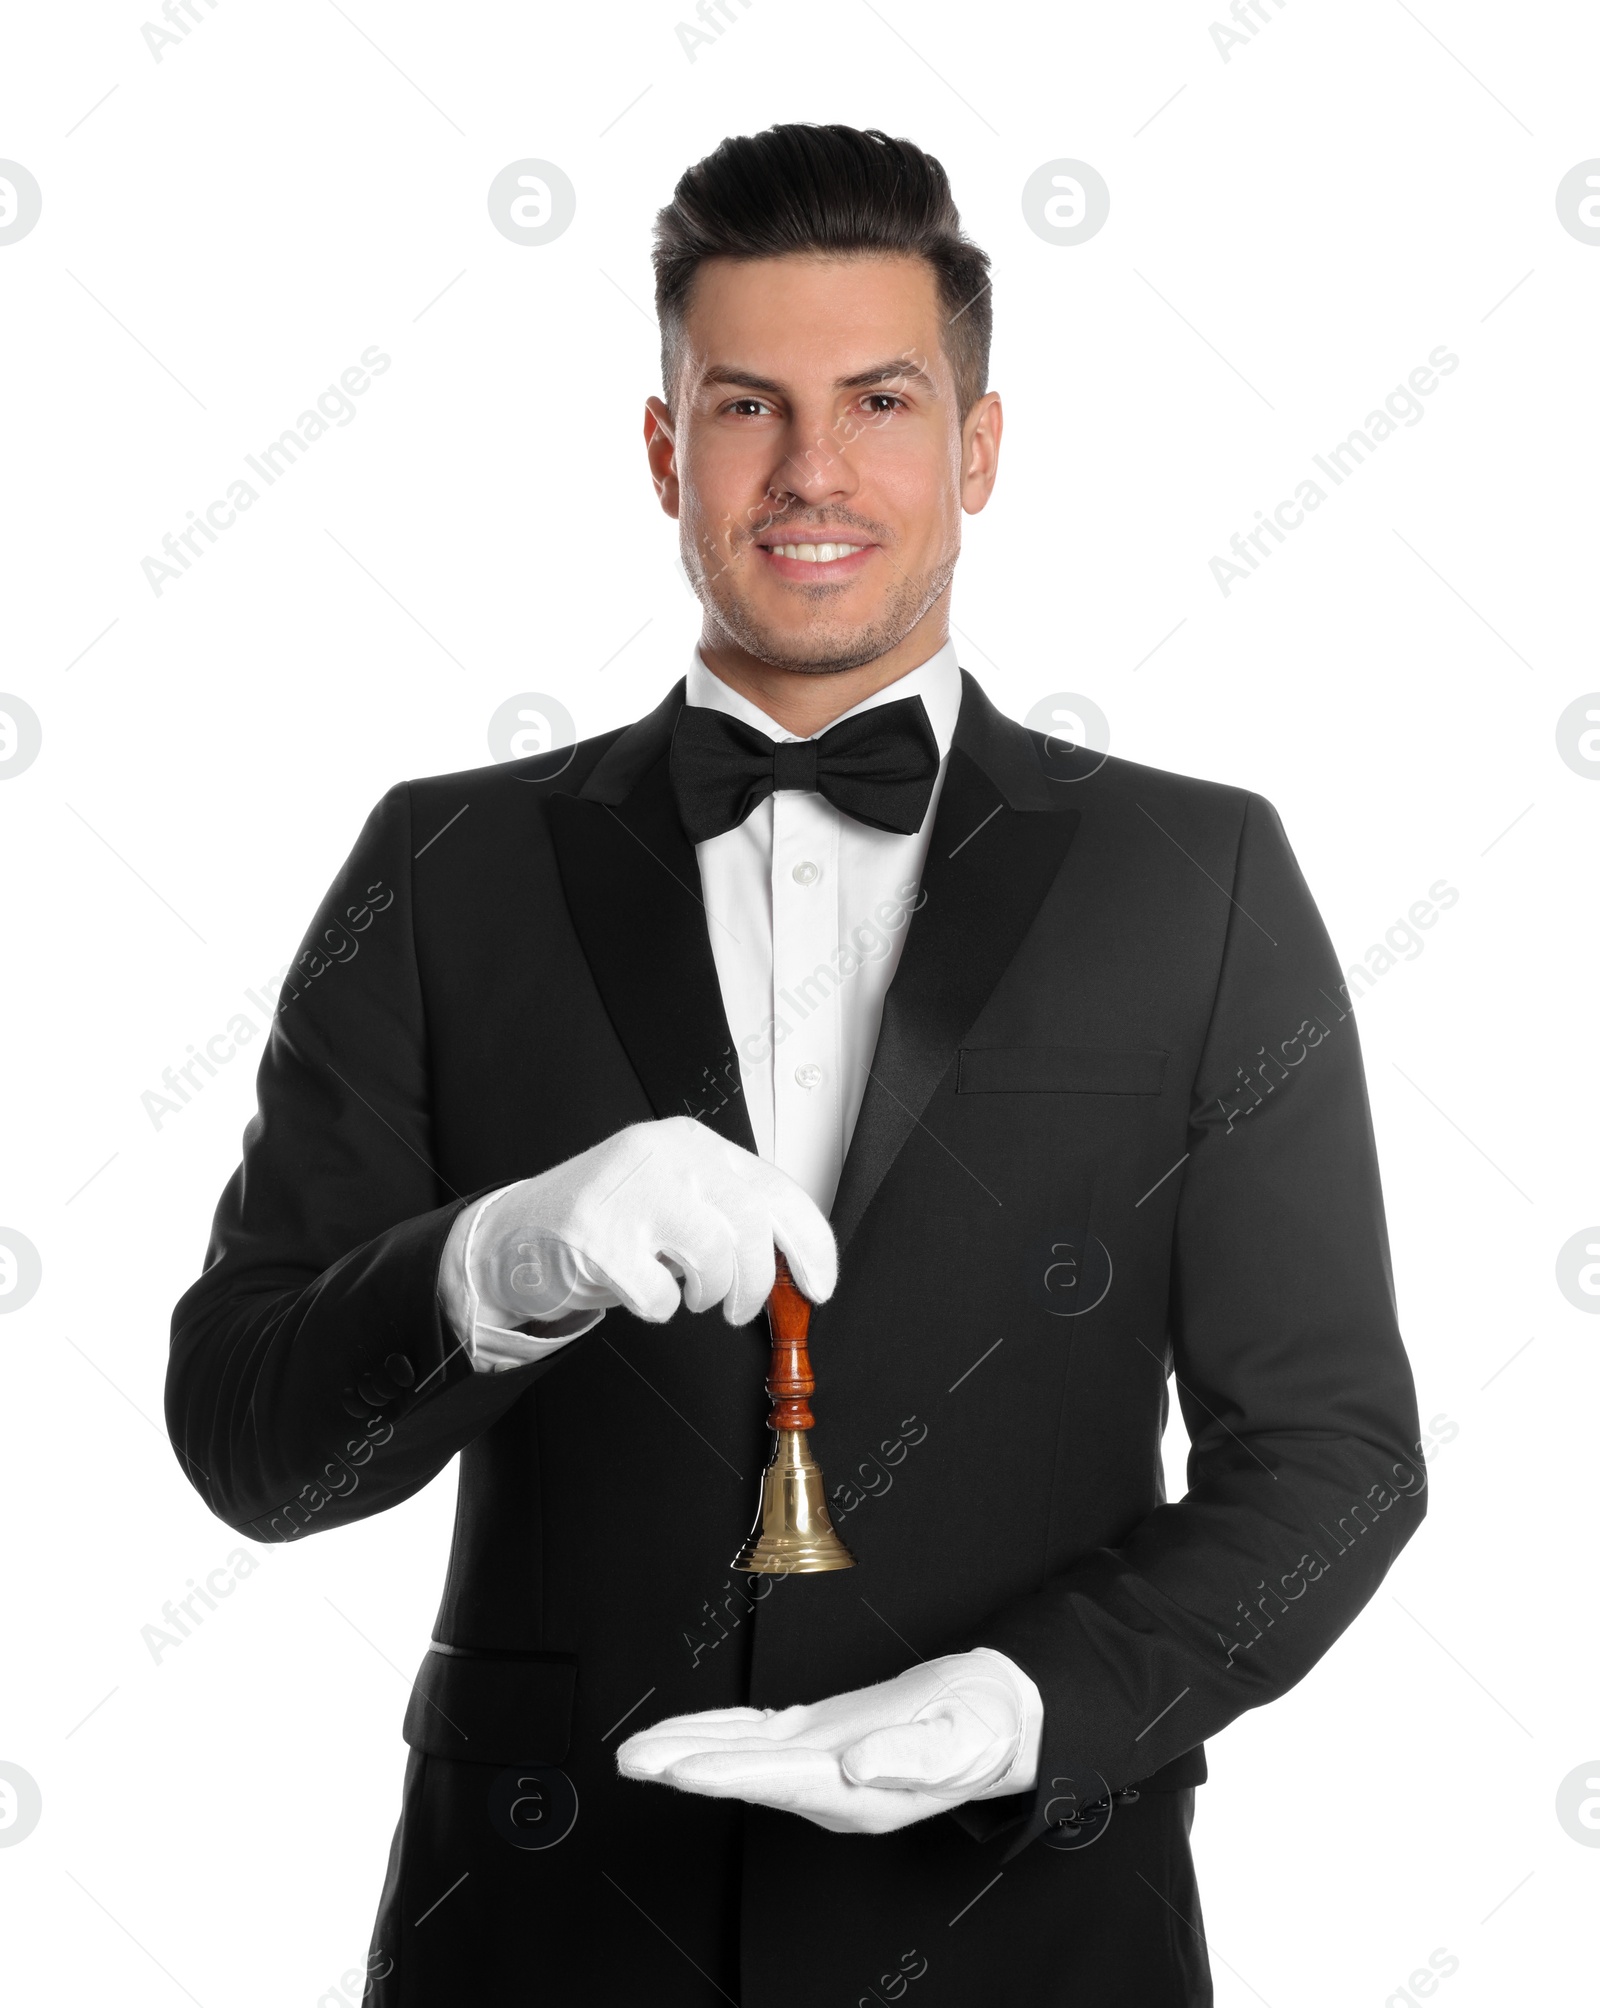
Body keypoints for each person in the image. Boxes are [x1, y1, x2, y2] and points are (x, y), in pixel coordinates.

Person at [165, 122, 1426, 2005]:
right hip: (540, 1930)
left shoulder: (1203, 873)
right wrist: (503, 1257)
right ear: (666, 450)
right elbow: (253, 1440)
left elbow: (1332, 1457)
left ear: (978, 448)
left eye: (883, 401)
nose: (814, 470)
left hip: (1038, 1930)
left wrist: (1020, 1708)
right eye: (747, 405)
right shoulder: (444, 867)